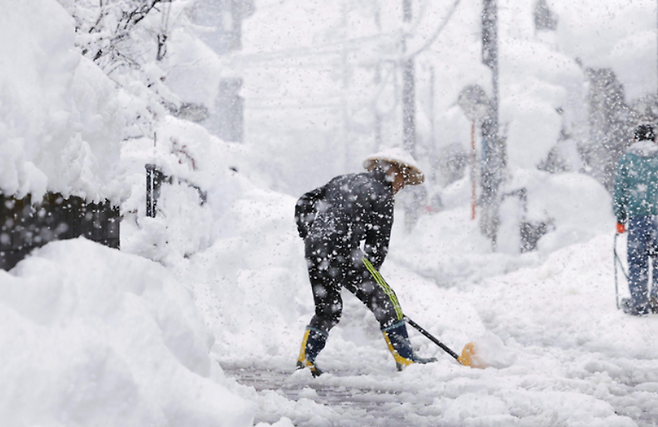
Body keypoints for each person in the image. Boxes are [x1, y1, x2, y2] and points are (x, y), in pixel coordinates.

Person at [294, 148, 436, 376]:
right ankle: (406, 359)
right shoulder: (382, 194)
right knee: (387, 300)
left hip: (315, 250)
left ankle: (306, 359)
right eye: (403, 181)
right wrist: (370, 282)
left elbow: (304, 202)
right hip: (343, 250)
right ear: (395, 172)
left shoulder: (343, 180)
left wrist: (309, 235)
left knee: (328, 309)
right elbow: (377, 246)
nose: (401, 187)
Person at [613, 124, 658, 316]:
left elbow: (620, 192)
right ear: (654, 139)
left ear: (635, 139)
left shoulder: (627, 161)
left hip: (638, 219)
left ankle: (639, 303)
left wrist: (621, 218)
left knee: (637, 261)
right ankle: (657, 299)